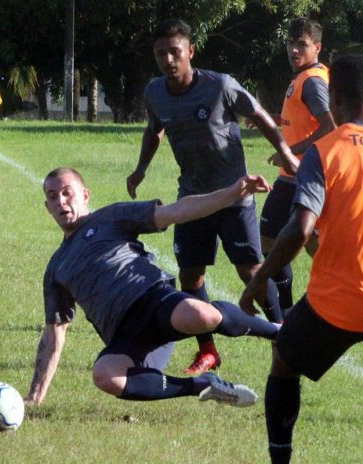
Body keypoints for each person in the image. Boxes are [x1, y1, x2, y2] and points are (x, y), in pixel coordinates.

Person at [25, 167, 281, 408]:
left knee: (202, 315)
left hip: (152, 298)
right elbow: (53, 334)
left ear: (85, 195)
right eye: (53, 196)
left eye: (67, 192)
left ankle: (278, 331)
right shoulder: (56, 267)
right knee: (106, 376)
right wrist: (35, 397)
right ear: (47, 207)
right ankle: (202, 385)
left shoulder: (110, 217)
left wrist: (232, 193)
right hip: (124, 333)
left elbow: (176, 211)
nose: (61, 201)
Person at [126, 19, 298, 374]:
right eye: (162, 54)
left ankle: (283, 337)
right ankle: (208, 350)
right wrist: (141, 168)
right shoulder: (155, 92)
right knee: (190, 275)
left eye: (175, 52)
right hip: (191, 199)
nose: (169, 60)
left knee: (250, 269)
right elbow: (154, 129)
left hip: (235, 195)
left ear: (190, 51)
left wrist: (286, 151)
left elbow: (260, 115)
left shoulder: (220, 85)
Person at [241, 54, 363, 464]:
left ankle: (281, 459)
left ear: (338, 97)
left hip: (340, 301)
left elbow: (299, 228)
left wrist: (260, 280)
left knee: (284, 362)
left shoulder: (325, 151)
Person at [258, 18, 336, 311]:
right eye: (291, 43)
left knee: (274, 244)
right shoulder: (304, 76)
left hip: (301, 177)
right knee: (292, 245)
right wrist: (274, 120)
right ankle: (289, 312)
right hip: (295, 176)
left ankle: (289, 312)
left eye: (302, 44)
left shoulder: (313, 81)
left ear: (317, 47)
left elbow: (330, 126)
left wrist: (290, 153)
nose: (294, 50)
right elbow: (306, 119)